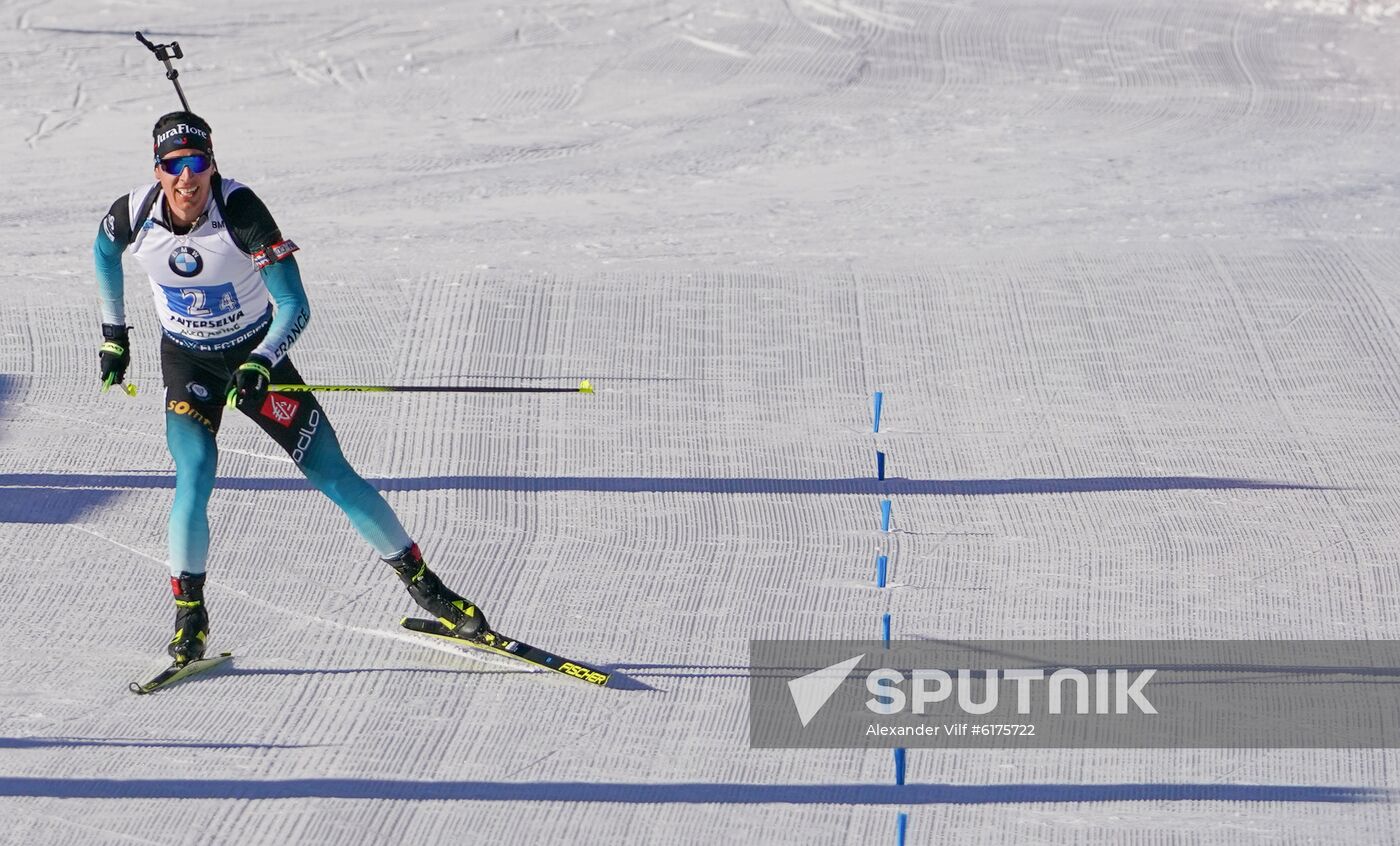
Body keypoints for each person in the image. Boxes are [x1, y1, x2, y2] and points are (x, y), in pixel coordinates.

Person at [94, 111, 488, 665]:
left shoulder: (241, 211)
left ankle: (428, 588)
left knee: (331, 472)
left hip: (259, 356)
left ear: (212, 164)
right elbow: (102, 254)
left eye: (197, 162)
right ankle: (190, 617)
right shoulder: (133, 213)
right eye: (173, 165)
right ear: (156, 170)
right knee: (195, 474)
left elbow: (295, 306)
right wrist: (115, 334)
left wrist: (260, 362)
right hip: (188, 362)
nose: (187, 178)